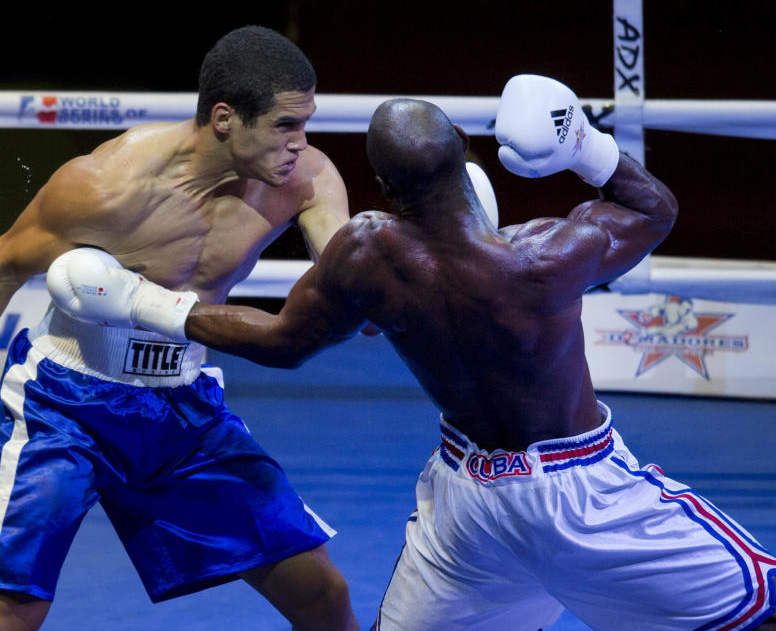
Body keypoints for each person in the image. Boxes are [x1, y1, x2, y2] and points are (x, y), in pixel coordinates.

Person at [49, 75, 776, 630]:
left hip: (468, 508)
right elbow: (656, 210)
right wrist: (585, 146)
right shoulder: (548, 254)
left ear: (388, 187)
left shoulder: (368, 258)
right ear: (464, 152)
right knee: (761, 601)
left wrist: (141, 302)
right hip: (584, 496)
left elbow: (276, 343)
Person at [0, 25, 362, 631]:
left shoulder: (305, 178)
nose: (303, 142)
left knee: (322, 595)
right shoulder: (108, 187)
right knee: (2, 621)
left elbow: (344, 282)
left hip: (184, 410)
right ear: (224, 118)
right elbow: (1, 263)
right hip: (69, 402)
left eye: (306, 122)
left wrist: (385, 279)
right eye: (285, 125)